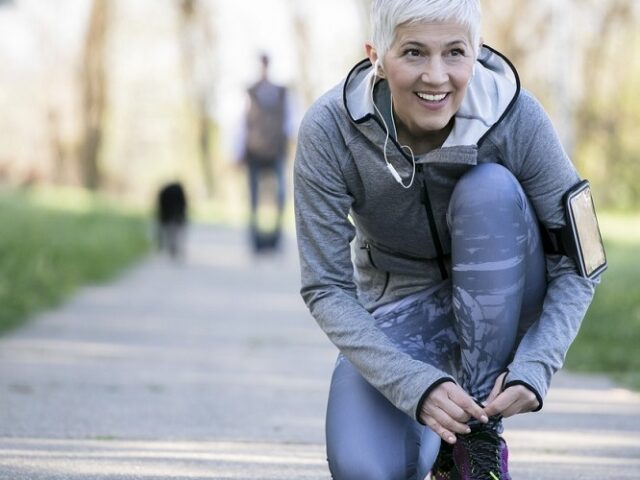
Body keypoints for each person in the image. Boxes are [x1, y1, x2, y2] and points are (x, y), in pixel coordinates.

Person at [293, 1, 605, 479]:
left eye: (455, 53)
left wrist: (537, 364)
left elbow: (583, 262)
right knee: (364, 470)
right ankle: (439, 442)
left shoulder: (516, 115)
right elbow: (326, 287)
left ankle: (476, 439)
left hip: (509, 294)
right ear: (376, 55)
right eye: (414, 53)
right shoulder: (329, 130)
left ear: (476, 52)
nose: (436, 77)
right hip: (401, 310)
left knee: (490, 190)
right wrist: (413, 385)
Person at [239, 53, 293, 253]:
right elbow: (241, 122)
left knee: (280, 195)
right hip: (254, 150)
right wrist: (237, 150)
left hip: (276, 150)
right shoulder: (250, 92)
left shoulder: (282, 93)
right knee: (253, 197)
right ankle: (255, 239)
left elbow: (289, 122)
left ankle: (276, 238)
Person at [156, 181, 188, 259]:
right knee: (175, 231)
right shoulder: (178, 191)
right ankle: (173, 247)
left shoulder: (165, 192)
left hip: (168, 215)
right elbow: (183, 204)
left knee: (169, 231)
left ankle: (171, 247)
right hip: (175, 215)